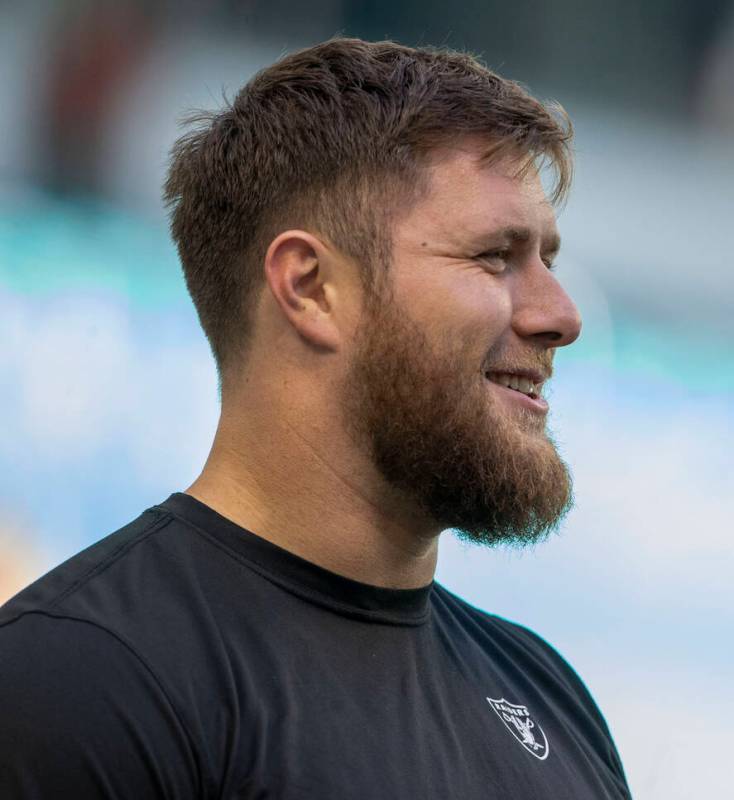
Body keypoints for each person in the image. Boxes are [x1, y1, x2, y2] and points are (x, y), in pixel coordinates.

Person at [0, 38, 631, 799]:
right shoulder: (85, 677)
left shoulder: (544, 696)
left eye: (549, 262)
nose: (560, 316)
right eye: (496, 256)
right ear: (310, 287)